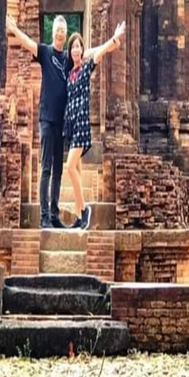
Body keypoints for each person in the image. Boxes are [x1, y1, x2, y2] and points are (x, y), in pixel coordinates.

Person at [6, 14, 71, 229]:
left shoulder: (69, 58)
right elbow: (28, 43)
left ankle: (54, 214)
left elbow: (87, 55)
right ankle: (43, 216)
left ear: (66, 33)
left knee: (58, 170)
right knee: (46, 168)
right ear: (52, 32)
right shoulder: (45, 52)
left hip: (62, 121)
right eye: (57, 29)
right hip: (46, 118)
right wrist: (14, 30)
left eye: (62, 30)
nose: (59, 33)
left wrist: (109, 44)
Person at [64, 22, 125, 229]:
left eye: (79, 47)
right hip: (70, 125)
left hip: (81, 122)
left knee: (70, 167)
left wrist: (113, 40)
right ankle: (80, 217)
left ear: (82, 50)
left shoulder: (86, 68)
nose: (76, 50)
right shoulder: (68, 72)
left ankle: (84, 210)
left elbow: (98, 54)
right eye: (73, 47)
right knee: (77, 171)